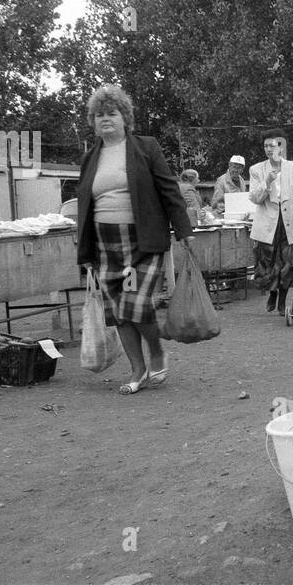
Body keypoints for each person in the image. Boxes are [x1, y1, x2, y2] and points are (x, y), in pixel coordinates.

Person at [75, 84, 195, 394]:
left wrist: (184, 231)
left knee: (137, 304)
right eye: (99, 114)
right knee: (118, 310)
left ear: (125, 118)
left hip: (141, 240)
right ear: (93, 120)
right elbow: (84, 204)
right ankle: (137, 369)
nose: (105, 119)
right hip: (105, 243)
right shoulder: (90, 158)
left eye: (112, 113)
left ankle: (155, 351)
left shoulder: (146, 147)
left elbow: (169, 189)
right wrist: (84, 248)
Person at [249, 128, 293, 316]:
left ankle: (283, 298)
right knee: (268, 262)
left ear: (281, 147)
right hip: (267, 224)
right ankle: (272, 293)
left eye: (273, 145)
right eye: (266, 145)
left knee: (287, 262)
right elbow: (255, 198)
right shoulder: (257, 169)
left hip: (289, 222)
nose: (269, 149)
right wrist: (267, 181)